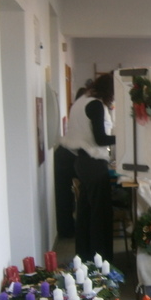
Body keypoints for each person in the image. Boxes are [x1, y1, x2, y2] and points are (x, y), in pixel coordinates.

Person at [64, 74, 116, 262]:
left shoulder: (81, 101)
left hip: (82, 162)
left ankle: (85, 257)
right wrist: (124, 137)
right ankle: (101, 259)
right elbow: (100, 139)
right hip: (93, 164)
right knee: (100, 215)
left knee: (85, 214)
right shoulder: (95, 105)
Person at [54, 86, 90, 238]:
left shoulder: (77, 113)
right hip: (66, 156)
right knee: (64, 197)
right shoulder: (82, 115)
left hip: (65, 154)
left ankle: (68, 229)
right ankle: (67, 230)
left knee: (65, 196)